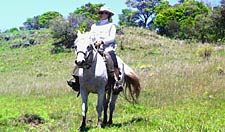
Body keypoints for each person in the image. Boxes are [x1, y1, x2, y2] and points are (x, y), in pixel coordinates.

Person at [67, 6, 122, 94]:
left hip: (107, 48)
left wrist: (102, 41)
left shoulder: (111, 26)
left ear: (108, 15)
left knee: (113, 62)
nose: (101, 15)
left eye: (103, 13)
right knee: (81, 58)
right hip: (95, 48)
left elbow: (112, 38)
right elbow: (91, 36)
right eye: (100, 13)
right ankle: (76, 80)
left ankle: (116, 82)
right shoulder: (94, 26)